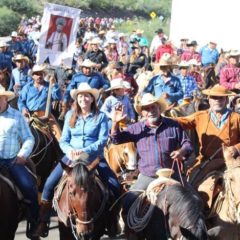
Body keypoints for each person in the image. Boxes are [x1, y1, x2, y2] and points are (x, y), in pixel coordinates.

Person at [33, 83, 121, 238]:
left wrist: (85, 151)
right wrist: (70, 151)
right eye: (80, 96)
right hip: (71, 157)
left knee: (115, 185)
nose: (83, 99)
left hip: (93, 157)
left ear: (92, 99)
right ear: (77, 99)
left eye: (87, 96)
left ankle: (112, 220)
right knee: (48, 185)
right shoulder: (69, 116)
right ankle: (43, 221)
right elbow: (64, 140)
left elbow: (102, 140)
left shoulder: (100, 117)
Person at [110, 93, 193, 209]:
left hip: (171, 174)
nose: (150, 111)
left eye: (153, 107)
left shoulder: (173, 125)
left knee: (194, 199)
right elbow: (116, 139)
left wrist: (182, 151)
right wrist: (115, 123)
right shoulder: (137, 128)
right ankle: (127, 227)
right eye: (146, 109)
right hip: (148, 176)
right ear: (142, 113)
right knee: (128, 201)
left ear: (159, 108)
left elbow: (187, 144)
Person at [175, 84, 240, 185]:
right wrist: (162, 119)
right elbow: (182, 122)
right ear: (209, 100)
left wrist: (236, 148)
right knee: (192, 187)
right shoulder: (200, 116)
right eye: (214, 97)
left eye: (221, 98)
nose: (217, 100)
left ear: (226, 100)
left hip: (233, 162)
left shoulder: (236, 118)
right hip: (207, 162)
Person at [0, 85, 38, 238]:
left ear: (5, 99)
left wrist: (22, 155)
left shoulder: (16, 116)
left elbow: (29, 138)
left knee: (28, 186)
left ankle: (34, 221)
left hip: (11, 160)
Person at [18, 64, 62, 141]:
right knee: (19, 135)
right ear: (33, 76)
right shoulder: (27, 87)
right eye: (37, 74)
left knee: (59, 137)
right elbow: (21, 101)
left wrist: (54, 84)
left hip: (46, 115)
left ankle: (61, 151)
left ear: (43, 74)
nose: (39, 76)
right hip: (31, 115)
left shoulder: (49, 85)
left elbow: (57, 97)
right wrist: (23, 109)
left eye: (41, 74)